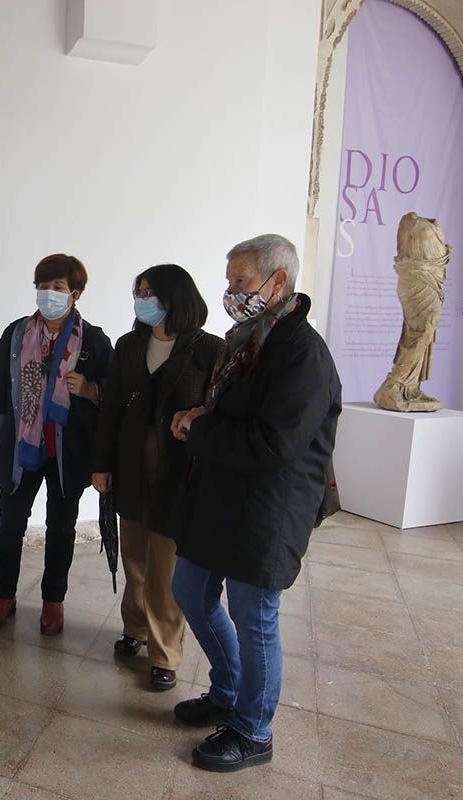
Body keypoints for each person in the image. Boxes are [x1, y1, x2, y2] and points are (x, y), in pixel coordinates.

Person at [168, 234, 341, 772]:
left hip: (269, 508)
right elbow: (235, 409)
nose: (231, 292)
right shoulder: (248, 338)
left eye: (240, 282)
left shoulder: (303, 353)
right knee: (190, 591)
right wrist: (200, 415)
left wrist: (198, 434)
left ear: (277, 281)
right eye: (230, 281)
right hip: (223, 496)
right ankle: (226, 693)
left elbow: (273, 443)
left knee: (254, 616)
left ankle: (253, 729)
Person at [90, 265, 222, 691]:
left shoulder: (208, 350)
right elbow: (110, 410)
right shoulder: (129, 345)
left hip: (177, 472)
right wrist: (101, 464)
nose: (141, 299)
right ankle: (136, 628)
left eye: (149, 292)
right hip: (130, 464)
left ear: (173, 297)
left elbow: (213, 414)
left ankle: (165, 653)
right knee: (134, 555)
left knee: (165, 565)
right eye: (139, 292)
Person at [0, 254, 114, 635]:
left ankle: (53, 601)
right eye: (42, 287)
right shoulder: (17, 333)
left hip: (66, 453)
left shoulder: (93, 341)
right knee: (9, 524)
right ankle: (4, 595)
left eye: (57, 288)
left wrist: (89, 388)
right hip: (22, 451)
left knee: (61, 527)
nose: (48, 294)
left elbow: (114, 392)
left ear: (75, 293)